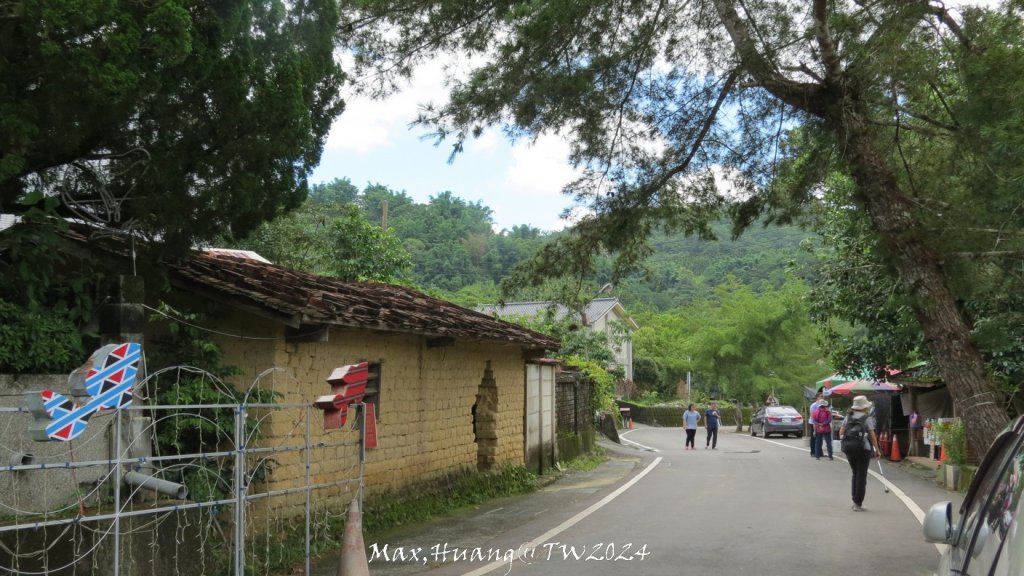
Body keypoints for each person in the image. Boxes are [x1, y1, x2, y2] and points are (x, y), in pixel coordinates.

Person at [839, 395, 882, 512]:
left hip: (849, 449)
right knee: (861, 476)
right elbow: (872, 436)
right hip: (864, 449)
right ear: (864, 407)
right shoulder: (867, 418)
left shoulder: (848, 417)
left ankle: (855, 500)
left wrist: (848, 441)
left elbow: (841, 432)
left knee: (855, 473)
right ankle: (858, 503)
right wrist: (877, 450)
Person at [808, 392, 825, 456]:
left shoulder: (823, 405)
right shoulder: (814, 405)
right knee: (814, 437)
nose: (822, 398)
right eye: (821, 396)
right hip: (813, 423)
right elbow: (812, 416)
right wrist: (815, 424)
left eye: (823, 396)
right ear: (817, 397)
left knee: (820, 438)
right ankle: (813, 452)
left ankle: (819, 452)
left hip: (820, 423)